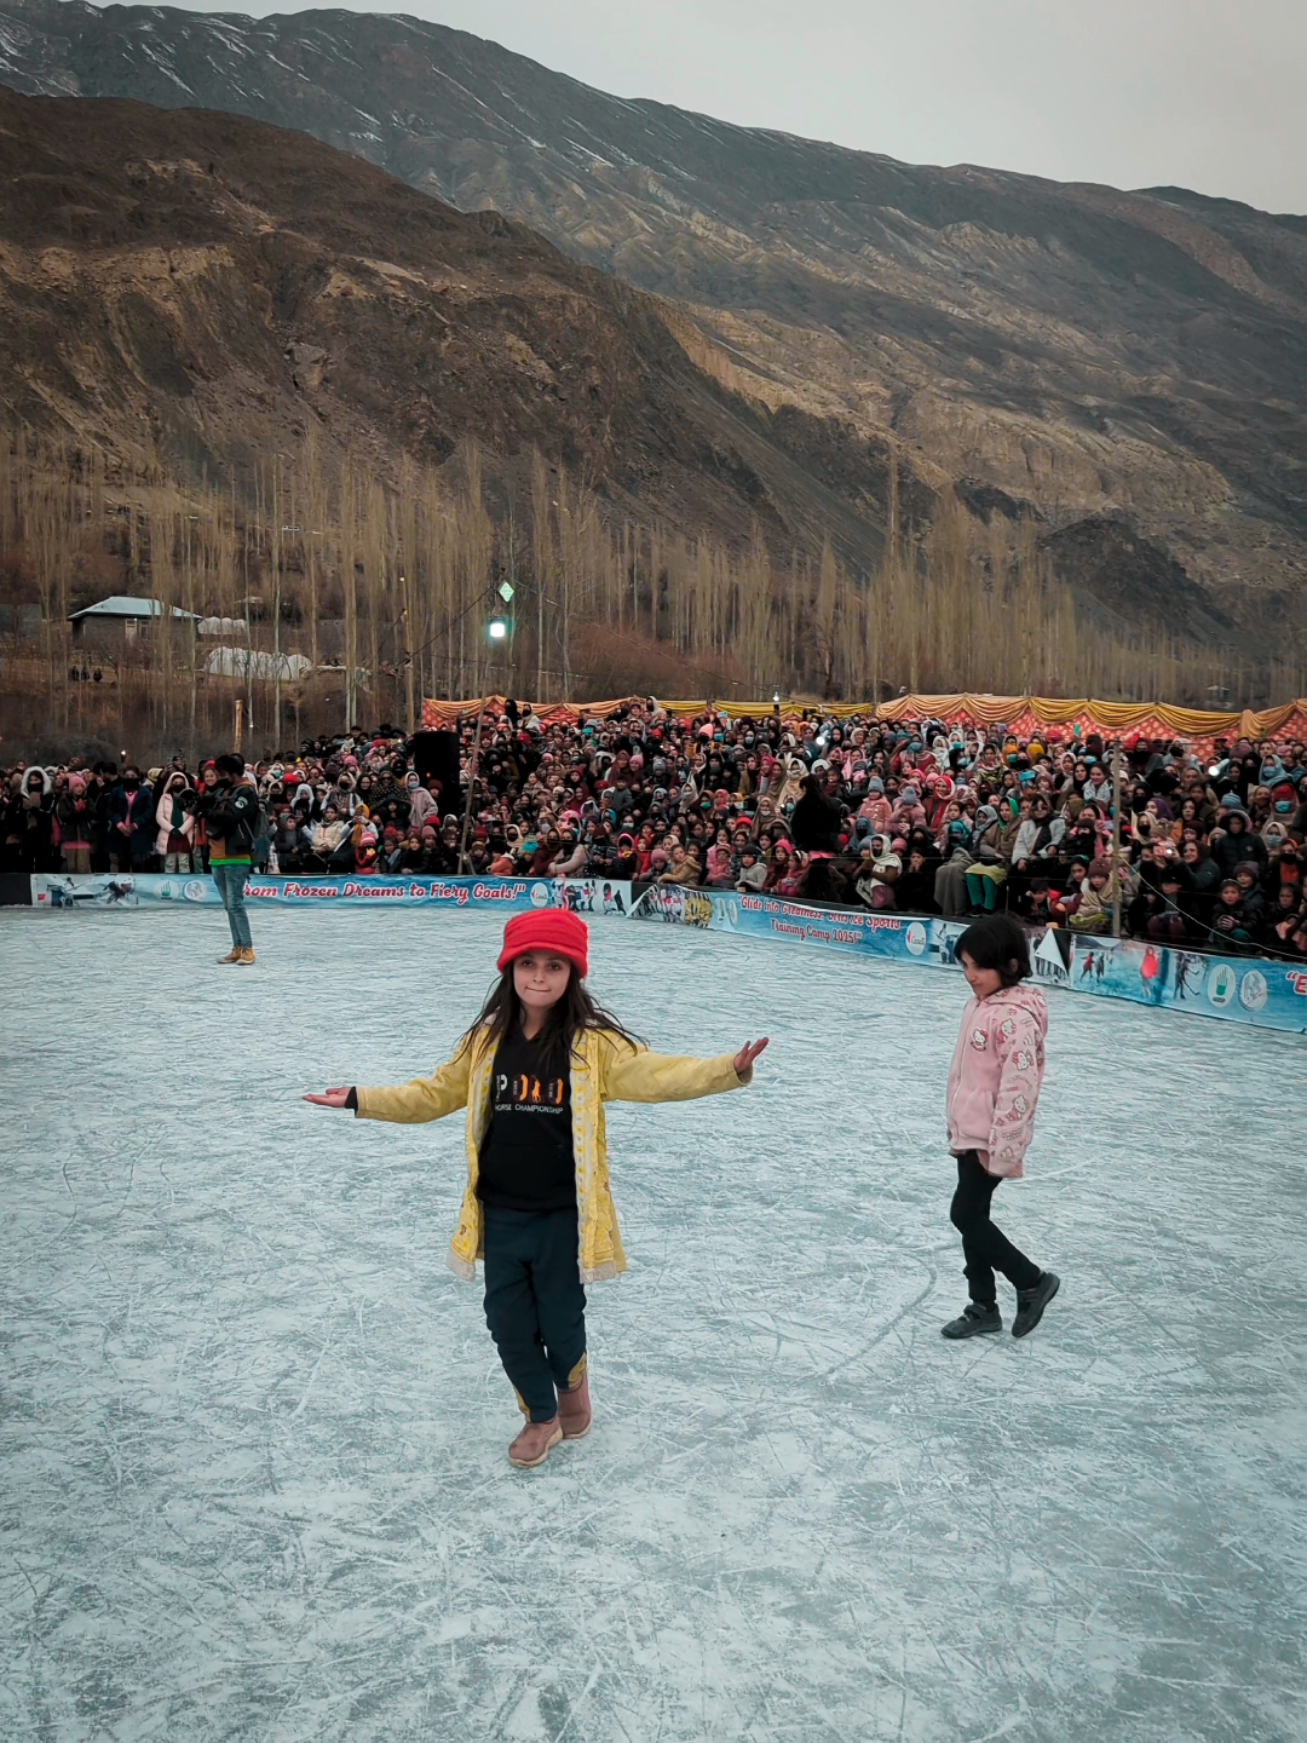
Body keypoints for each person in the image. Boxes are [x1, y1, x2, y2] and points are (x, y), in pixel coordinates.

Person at [304, 909, 769, 1469]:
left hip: (563, 1217)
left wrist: (726, 1068)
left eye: (554, 965)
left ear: (573, 974)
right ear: (510, 970)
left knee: (561, 1320)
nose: (540, 977)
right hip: (499, 1213)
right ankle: (542, 1415)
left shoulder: (591, 1045)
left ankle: (573, 1387)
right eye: (528, 964)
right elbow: (431, 1095)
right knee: (507, 1323)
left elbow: (655, 1075)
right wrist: (361, 1098)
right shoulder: (484, 1042)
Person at [941, 915, 1059, 1341]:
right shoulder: (980, 1004)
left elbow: (1020, 1087)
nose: (970, 976)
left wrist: (1005, 1145)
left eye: (979, 967)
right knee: (974, 1219)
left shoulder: (1015, 1018)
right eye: (965, 966)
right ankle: (982, 1306)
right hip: (969, 1129)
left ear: (1009, 965)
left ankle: (1031, 1281)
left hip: (993, 1136)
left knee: (965, 1214)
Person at [204, 753, 261, 965]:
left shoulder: (245, 791)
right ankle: (237, 946)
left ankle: (248, 948)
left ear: (231, 773)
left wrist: (206, 811)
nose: (218, 777)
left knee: (235, 904)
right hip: (217, 855)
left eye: (221, 773)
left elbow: (231, 818)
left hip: (237, 855)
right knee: (229, 905)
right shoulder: (224, 791)